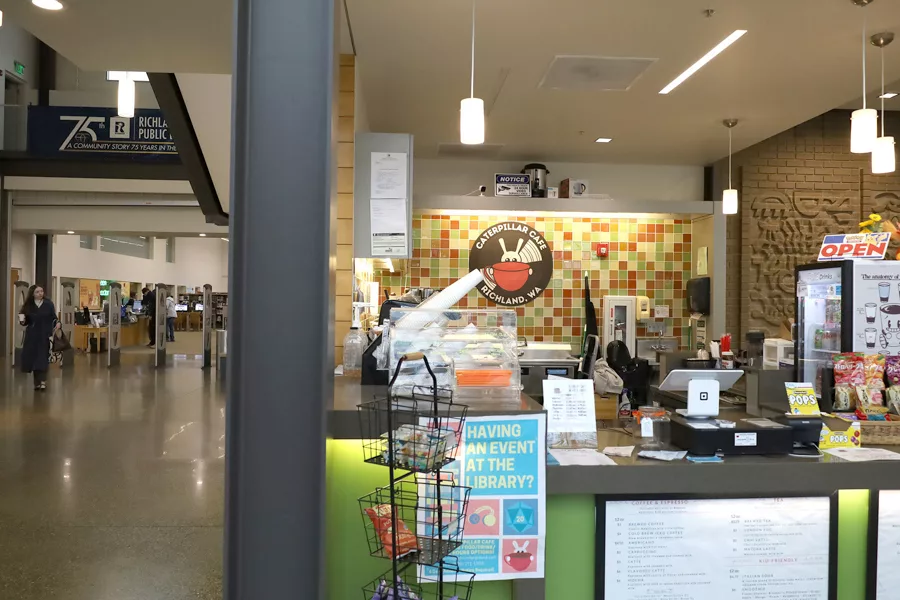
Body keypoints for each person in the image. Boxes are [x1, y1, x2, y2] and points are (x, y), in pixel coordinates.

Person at [19, 285, 59, 391]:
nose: (40, 293)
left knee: (42, 358)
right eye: (37, 292)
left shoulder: (48, 304)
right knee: (33, 358)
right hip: (32, 335)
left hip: (44, 335)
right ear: (32, 293)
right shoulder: (29, 305)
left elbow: (54, 317)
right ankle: (36, 383)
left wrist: (57, 323)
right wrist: (22, 321)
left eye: (41, 291)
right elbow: (25, 321)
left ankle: (43, 382)